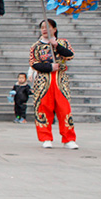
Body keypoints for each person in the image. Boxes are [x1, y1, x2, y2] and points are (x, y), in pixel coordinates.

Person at [30, 18, 78, 149]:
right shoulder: (36, 46)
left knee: (64, 109)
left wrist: (56, 45)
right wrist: (50, 67)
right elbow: (34, 63)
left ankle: (68, 138)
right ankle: (45, 137)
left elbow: (70, 55)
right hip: (43, 81)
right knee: (43, 108)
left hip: (60, 80)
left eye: (48, 27)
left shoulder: (63, 42)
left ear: (54, 29)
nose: (45, 30)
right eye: (43, 27)